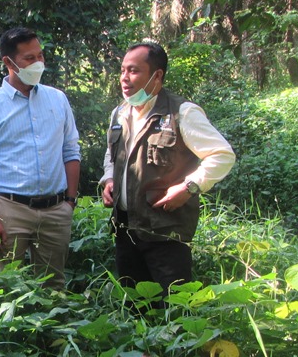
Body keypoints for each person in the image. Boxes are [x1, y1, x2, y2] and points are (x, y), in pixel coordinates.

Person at [101, 42, 235, 299]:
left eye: (134, 71)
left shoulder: (182, 112)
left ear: (157, 75)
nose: (125, 79)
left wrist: (189, 187)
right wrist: (109, 179)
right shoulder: (120, 113)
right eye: (122, 70)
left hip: (165, 232)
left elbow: (222, 155)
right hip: (125, 230)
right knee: (135, 307)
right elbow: (112, 154)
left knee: (175, 306)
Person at [0, 27, 81, 289]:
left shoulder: (58, 99)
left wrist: (69, 202)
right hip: (10, 210)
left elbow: (71, 151)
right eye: (29, 58)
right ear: (8, 62)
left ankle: (51, 331)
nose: (38, 63)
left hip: (55, 210)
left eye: (40, 55)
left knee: (54, 287)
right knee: (7, 288)